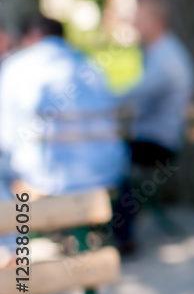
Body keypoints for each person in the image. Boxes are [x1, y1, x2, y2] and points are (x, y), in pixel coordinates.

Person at [0, 16, 127, 198]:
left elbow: (5, 138)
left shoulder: (16, 66)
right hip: (106, 174)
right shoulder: (92, 64)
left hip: (43, 180)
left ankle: (19, 225)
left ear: (32, 36)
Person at [111, 0, 194, 251]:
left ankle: (121, 235)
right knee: (110, 154)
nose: (133, 24)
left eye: (138, 18)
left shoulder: (166, 57)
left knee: (111, 159)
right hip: (155, 135)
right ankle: (114, 229)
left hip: (157, 141)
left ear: (154, 21)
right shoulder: (160, 52)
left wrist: (99, 99)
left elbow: (136, 94)